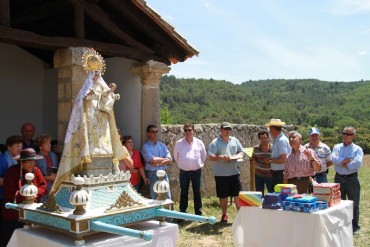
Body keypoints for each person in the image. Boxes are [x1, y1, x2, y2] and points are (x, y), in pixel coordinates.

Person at [51, 49, 132, 194]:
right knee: (92, 139)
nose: (97, 75)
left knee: (104, 142)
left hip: (102, 119)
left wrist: (111, 94)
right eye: (94, 73)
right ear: (90, 73)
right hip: (90, 118)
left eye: (98, 73)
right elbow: (80, 102)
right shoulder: (86, 87)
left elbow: (106, 102)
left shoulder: (102, 86)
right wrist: (88, 96)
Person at [1, 148, 47, 247]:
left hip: (31, 213)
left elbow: (43, 186)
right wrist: (24, 195)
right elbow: (9, 191)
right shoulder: (12, 171)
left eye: (33, 162)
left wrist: (35, 194)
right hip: (14, 214)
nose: (32, 164)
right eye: (29, 162)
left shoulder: (36, 171)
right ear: (21, 162)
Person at [208, 122, 244, 223]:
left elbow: (241, 152)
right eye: (225, 129)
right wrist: (220, 157)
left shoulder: (235, 140)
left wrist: (234, 157)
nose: (227, 131)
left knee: (238, 195)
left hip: (234, 172)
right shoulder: (215, 142)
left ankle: (241, 217)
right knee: (223, 196)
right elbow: (210, 156)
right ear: (221, 130)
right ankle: (224, 215)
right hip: (221, 174)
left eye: (229, 129)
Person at [331, 126, 363, 234]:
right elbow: (333, 158)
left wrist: (343, 163)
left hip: (352, 178)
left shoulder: (357, 149)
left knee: (354, 203)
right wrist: (347, 161)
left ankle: (355, 226)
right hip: (339, 177)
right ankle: (341, 225)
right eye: (344, 133)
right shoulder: (337, 147)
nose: (345, 135)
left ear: (353, 136)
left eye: (348, 134)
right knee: (338, 202)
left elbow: (357, 163)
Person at [174, 123, 207, 216]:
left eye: (189, 130)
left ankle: (198, 212)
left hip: (196, 171)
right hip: (184, 172)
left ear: (193, 131)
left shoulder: (199, 142)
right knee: (184, 192)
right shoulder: (179, 143)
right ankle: (183, 212)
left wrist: (197, 163)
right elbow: (176, 156)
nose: (188, 132)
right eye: (186, 130)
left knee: (197, 192)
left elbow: (204, 156)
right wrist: (184, 163)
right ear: (183, 132)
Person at [0, 135, 23, 242]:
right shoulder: (2, 159)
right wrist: (10, 183)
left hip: (15, 197)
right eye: (16, 146)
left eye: (21, 146)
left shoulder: (20, 161)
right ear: (9, 147)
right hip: (2, 197)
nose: (19, 148)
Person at [141, 125, 172, 200]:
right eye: (153, 132)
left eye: (156, 131)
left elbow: (170, 160)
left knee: (167, 196)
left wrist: (158, 163)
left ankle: (168, 211)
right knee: (155, 197)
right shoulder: (145, 147)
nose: (155, 133)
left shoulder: (162, 145)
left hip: (163, 173)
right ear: (148, 134)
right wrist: (163, 159)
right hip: (153, 174)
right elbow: (153, 160)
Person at [263, 119, 291, 188]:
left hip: (280, 173)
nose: (269, 131)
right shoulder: (278, 140)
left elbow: (283, 159)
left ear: (272, 129)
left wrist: (270, 160)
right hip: (277, 173)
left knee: (279, 194)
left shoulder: (281, 140)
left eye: (270, 129)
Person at [35, 134, 59, 202]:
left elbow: (57, 167)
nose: (49, 145)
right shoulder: (36, 157)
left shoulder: (53, 155)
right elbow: (35, 175)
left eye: (49, 143)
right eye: (46, 143)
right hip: (42, 186)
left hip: (53, 184)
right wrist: (48, 178)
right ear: (40, 146)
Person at [251, 130, 273, 196]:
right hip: (258, 175)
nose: (264, 140)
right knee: (259, 195)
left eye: (265, 137)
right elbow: (253, 159)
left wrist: (270, 161)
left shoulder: (274, 148)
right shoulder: (256, 148)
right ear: (259, 139)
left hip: (270, 175)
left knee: (271, 194)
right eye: (261, 138)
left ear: (268, 138)